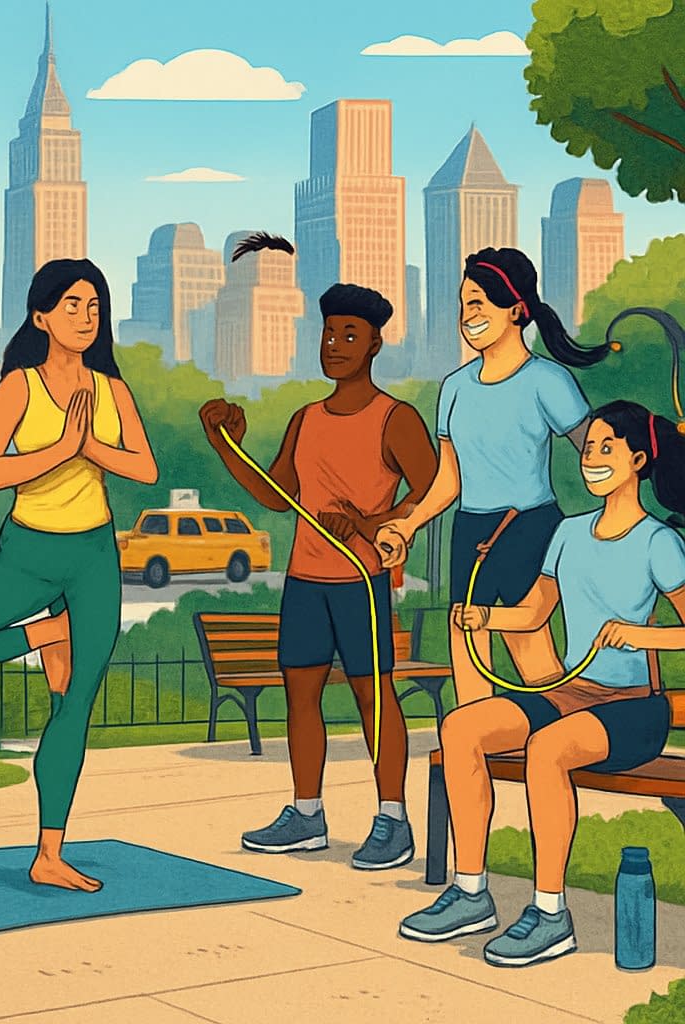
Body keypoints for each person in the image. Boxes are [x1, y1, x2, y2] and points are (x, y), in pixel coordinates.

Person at [399, 400, 685, 967]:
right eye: (587, 447)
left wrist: (642, 636)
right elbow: (533, 613)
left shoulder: (659, 543)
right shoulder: (569, 535)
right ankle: (472, 891)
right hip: (569, 695)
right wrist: (484, 618)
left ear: (638, 459)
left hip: (634, 711)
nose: (591, 458)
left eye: (607, 448)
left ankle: (551, 913)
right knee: (461, 728)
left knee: (547, 748)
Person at [0, 258, 157, 892]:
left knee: (74, 703)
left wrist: (89, 447)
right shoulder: (19, 387)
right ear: (41, 316)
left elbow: (144, 468)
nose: (85, 316)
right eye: (73, 305)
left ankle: (49, 852)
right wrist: (61, 448)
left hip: (93, 556)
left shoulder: (111, 389)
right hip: (28, 549)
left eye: (94, 306)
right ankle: (46, 634)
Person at [200, 269, 438, 870]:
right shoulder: (306, 418)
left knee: (374, 698)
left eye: (349, 335)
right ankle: (307, 815)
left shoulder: (395, 418)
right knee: (299, 696)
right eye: (329, 334)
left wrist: (372, 520)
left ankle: (393, 820)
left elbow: (433, 492)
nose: (334, 345)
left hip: (361, 581)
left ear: (375, 344)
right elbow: (278, 496)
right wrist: (224, 444)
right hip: (306, 580)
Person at [376, 247, 611, 704]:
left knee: (535, 659)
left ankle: (564, 751)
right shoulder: (455, 388)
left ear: (517, 310)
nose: (468, 315)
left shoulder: (548, 380)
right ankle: (472, 753)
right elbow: (450, 479)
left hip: (530, 528)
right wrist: (407, 524)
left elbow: (598, 459)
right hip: (470, 530)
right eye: (464, 305)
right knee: (469, 658)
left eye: (479, 302)